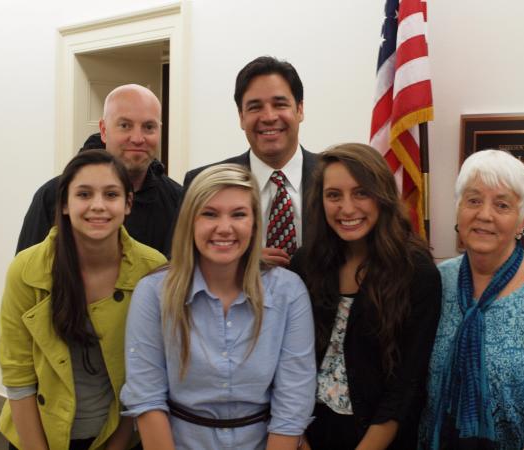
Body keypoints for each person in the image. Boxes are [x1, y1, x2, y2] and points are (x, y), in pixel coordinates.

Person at [121, 164, 316, 450]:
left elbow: (293, 404)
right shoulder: (153, 293)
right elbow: (146, 398)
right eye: (210, 214)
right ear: (190, 222)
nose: (224, 228)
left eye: (239, 214)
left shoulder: (288, 291)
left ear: (254, 223)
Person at [0, 150, 167, 450]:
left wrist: (118, 444)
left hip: (118, 435)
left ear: (128, 204)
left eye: (111, 194)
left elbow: (146, 374)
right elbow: (18, 376)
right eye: (84, 194)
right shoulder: (26, 270)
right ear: (65, 204)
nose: (98, 206)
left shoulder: (151, 268)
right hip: (37, 437)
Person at [418, 149, 524, 450]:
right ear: (458, 210)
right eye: (473, 200)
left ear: (523, 219)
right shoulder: (435, 281)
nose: (484, 214)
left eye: (502, 205)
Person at [290, 143, 442, 449]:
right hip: (307, 431)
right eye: (334, 195)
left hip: (379, 437)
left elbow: (406, 387)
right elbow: (289, 365)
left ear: (382, 196)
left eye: (361, 193)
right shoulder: (306, 264)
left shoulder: (417, 273)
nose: (347, 208)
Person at [180, 56, 317, 266]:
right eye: (255, 107)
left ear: (299, 110)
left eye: (280, 104)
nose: (269, 116)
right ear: (241, 117)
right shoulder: (201, 182)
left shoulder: (332, 177)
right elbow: (178, 260)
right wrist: (241, 260)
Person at [16, 84, 182, 255]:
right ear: (103, 130)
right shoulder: (53, 196)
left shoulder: (178, 201)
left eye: (148, 127)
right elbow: (28, 273)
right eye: (125, 125)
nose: (138, 138)